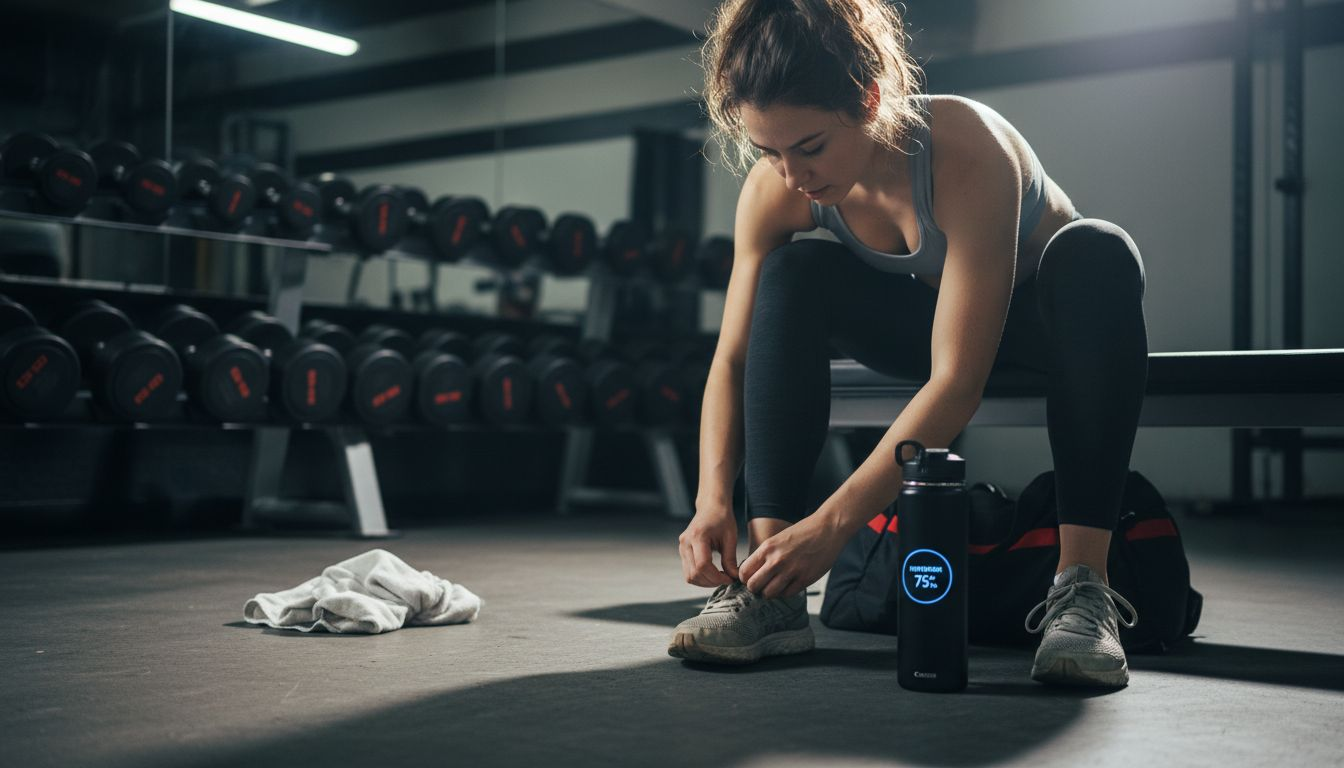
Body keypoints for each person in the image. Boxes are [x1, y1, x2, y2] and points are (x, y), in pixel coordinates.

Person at [669, 0, 1148, 688]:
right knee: (793, 270)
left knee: (1098, 251)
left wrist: (835, 524)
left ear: (867, 99)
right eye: (769, 151)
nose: (793, 175)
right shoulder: (779, 191)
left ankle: (1083, 590)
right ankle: (769, 585)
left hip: (1049, 331)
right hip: (925, 333)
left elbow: (958, 381)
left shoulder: (965, 146)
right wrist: (712, 496)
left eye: (810, 147)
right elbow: (734, 358)